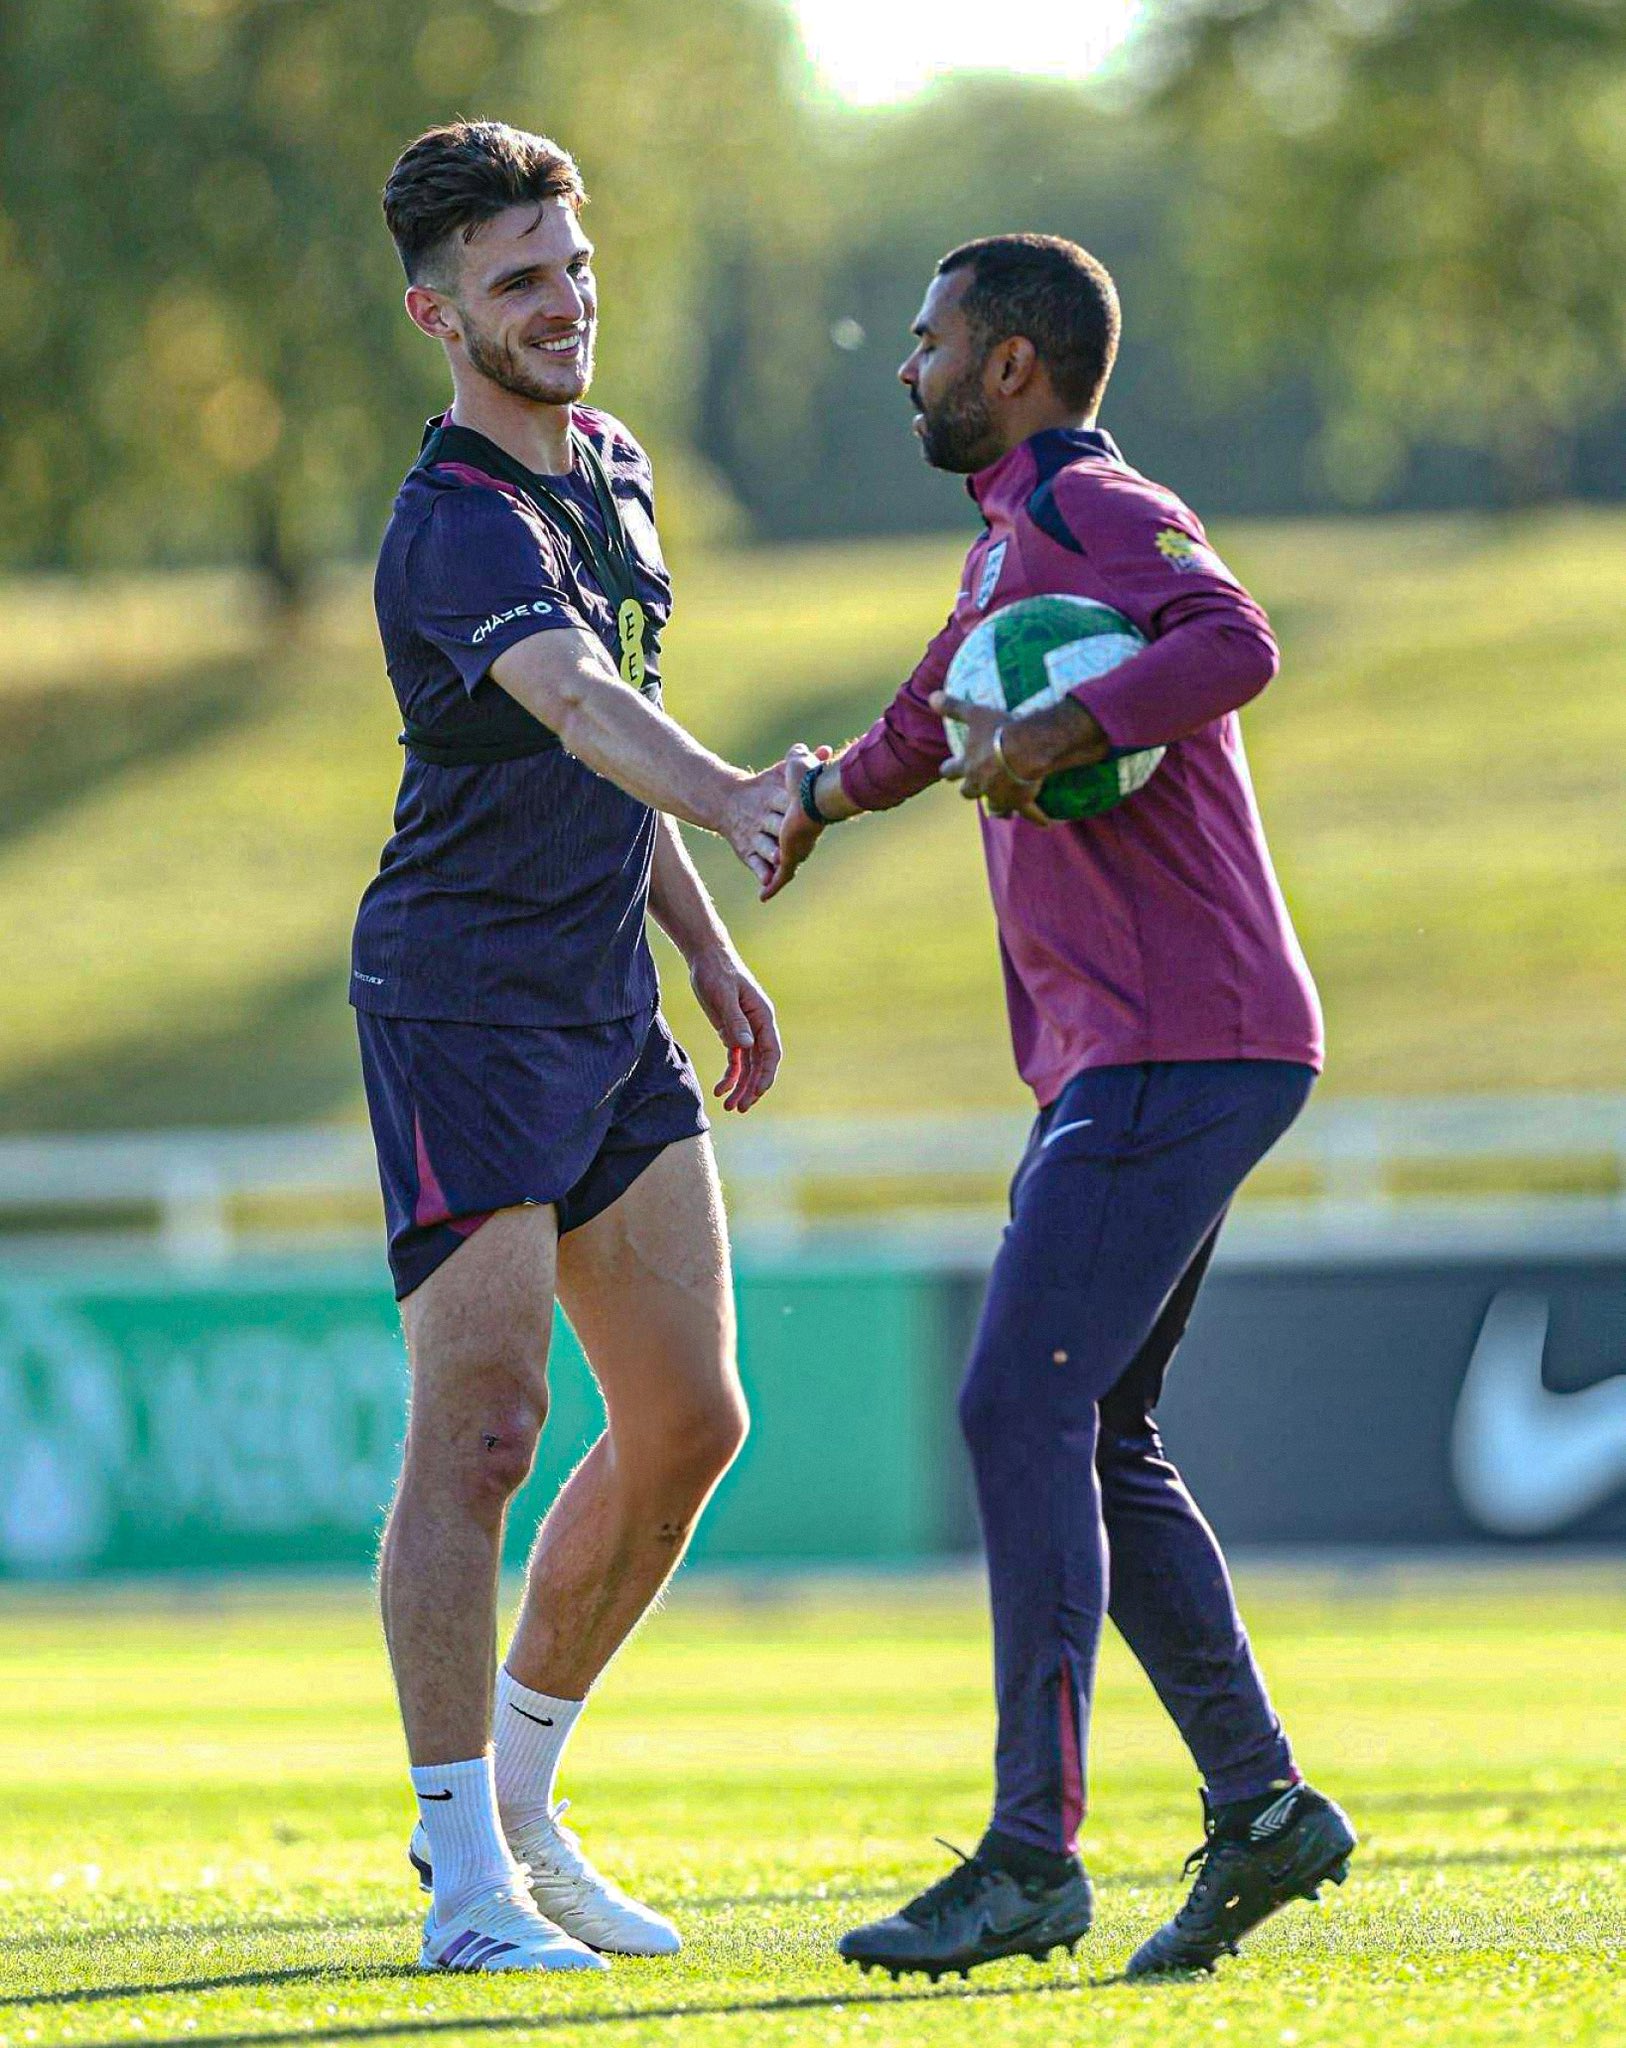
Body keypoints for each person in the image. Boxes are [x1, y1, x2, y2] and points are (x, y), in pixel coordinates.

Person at [769, 234, 1357, 1980]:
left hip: (1183, 1036)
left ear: (1010, 363)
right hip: (1133, 1048)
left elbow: (1231, 640)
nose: (908, 367)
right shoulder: (1006, 544)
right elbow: (923, 717)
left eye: (931, 340)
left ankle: (1031, 1857)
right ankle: (1259, 1812)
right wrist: (812, 798)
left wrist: (1069, 724)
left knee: (1014, 1410)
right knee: (1093, 1430)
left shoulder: (1099, 503)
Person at [353, 120, 806, 1975]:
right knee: (483, 1432)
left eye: (573, 269)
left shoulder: (610, 465)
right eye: (519, 283)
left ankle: (529, 1804)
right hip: (460, 1002)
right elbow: (581, 702)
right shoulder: (456, 520)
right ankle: (463, 1878)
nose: (563, 306)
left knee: (693, 1420)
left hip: (604, 1000)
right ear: (439, 315)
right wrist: (738, 803)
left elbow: (602, 753)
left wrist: (701, 952)